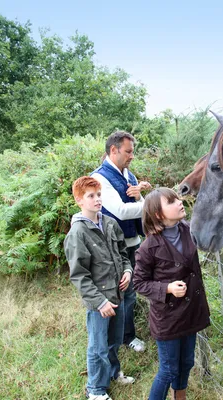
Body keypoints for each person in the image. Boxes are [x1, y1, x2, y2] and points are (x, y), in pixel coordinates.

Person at [133, 188, 211, 400]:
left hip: (191, 310)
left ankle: (180, 397)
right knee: (168, 370)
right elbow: (138, 283)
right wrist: (167, 288)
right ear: (159, 214)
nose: (179, 202)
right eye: (172, 201)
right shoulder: (148, 247)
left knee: (187, 362)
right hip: (168, 318)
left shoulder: (188, 229)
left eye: (178, 198)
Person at [64, 176, 136, 400]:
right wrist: (100, 302)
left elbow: (123, 254)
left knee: (114, 340)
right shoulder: (78, 233)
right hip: (99, 302)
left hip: (118, 294)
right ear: (79, 200)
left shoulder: (110, 223)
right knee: (98, 347)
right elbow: (79, 276)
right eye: (91, 196)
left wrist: (127, 271)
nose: (97, 200)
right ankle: (95, 389)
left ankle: (114, 373)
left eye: (99, 195)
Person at [91, 131, 151, 353]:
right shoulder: (99, 178)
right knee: (117, 293)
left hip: (133, 241)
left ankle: (127, 335)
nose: (132, 156)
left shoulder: (129, 175)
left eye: (132, 151)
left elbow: (139, 206)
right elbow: (121, 211)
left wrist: (141, 198)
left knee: (131, 291)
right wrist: (153, 204)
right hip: (113, 246)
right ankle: (113, 340)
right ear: (113, 150)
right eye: (128, 151)